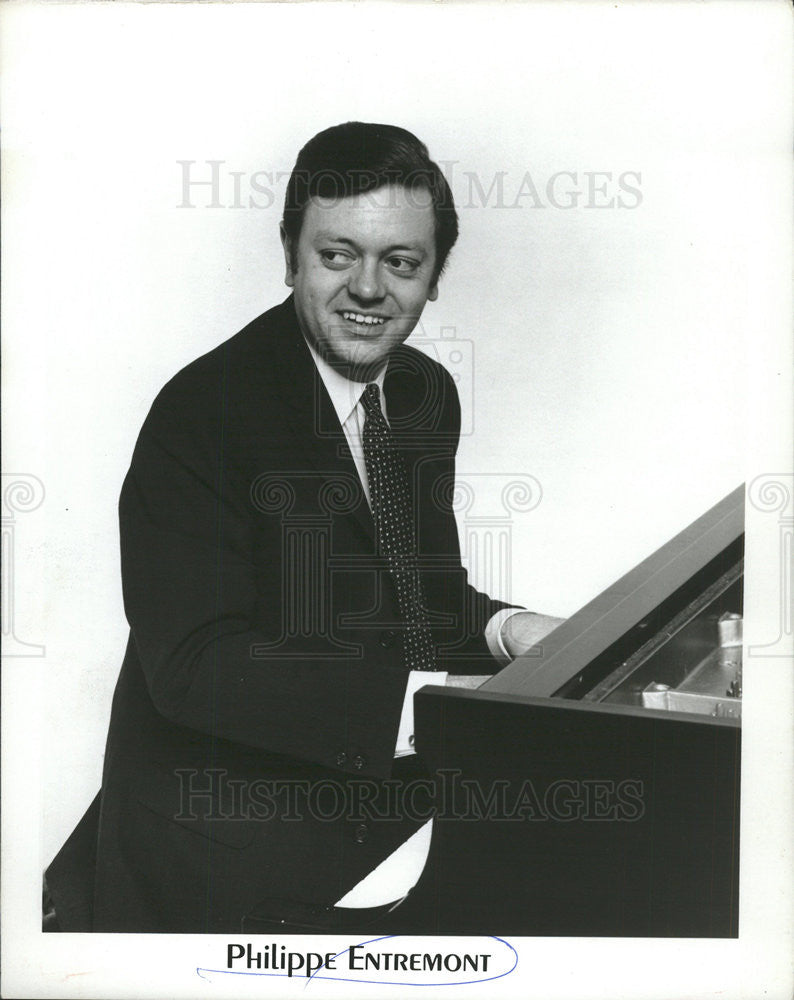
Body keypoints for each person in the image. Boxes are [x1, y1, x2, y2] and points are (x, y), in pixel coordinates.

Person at [44, 122, 562, 933]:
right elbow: (192, 665)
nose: (367, 288)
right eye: (336, 254)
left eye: (400, 261)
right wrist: (433, 704)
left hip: (360, 815)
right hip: (213, 856)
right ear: (290, 259)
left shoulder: (424, 392)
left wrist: (508, 631)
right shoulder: (201, 413)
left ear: (435, 277)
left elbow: (411, 595)